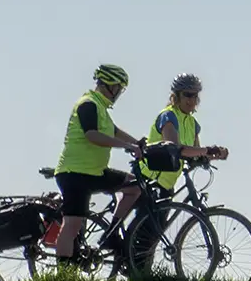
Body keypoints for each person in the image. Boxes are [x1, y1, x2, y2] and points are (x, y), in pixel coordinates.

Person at [55, 64, 149, 268]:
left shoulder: (101, 108)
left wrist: (138, 144)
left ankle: (111, 233)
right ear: (109, 85)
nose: (119, 93)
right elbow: (92, 135)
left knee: (135, 187)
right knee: (72, 224)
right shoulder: (88, 104)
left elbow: (113, 131)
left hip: (94, 172)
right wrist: (126, 146)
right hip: (75, 173)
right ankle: (63, 274)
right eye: (119, 88)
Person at [144, 74, 229, 199]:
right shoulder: (168, 116)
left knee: (160, 219)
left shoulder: (192, 124)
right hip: (149, 179)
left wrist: (216, 154)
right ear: (177, 96)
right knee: (149, 219)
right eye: (187, 95)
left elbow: (196, 154)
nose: (192, 100)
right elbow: (174, 148)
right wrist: (208, 150)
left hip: (167, 184)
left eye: (195, 96)